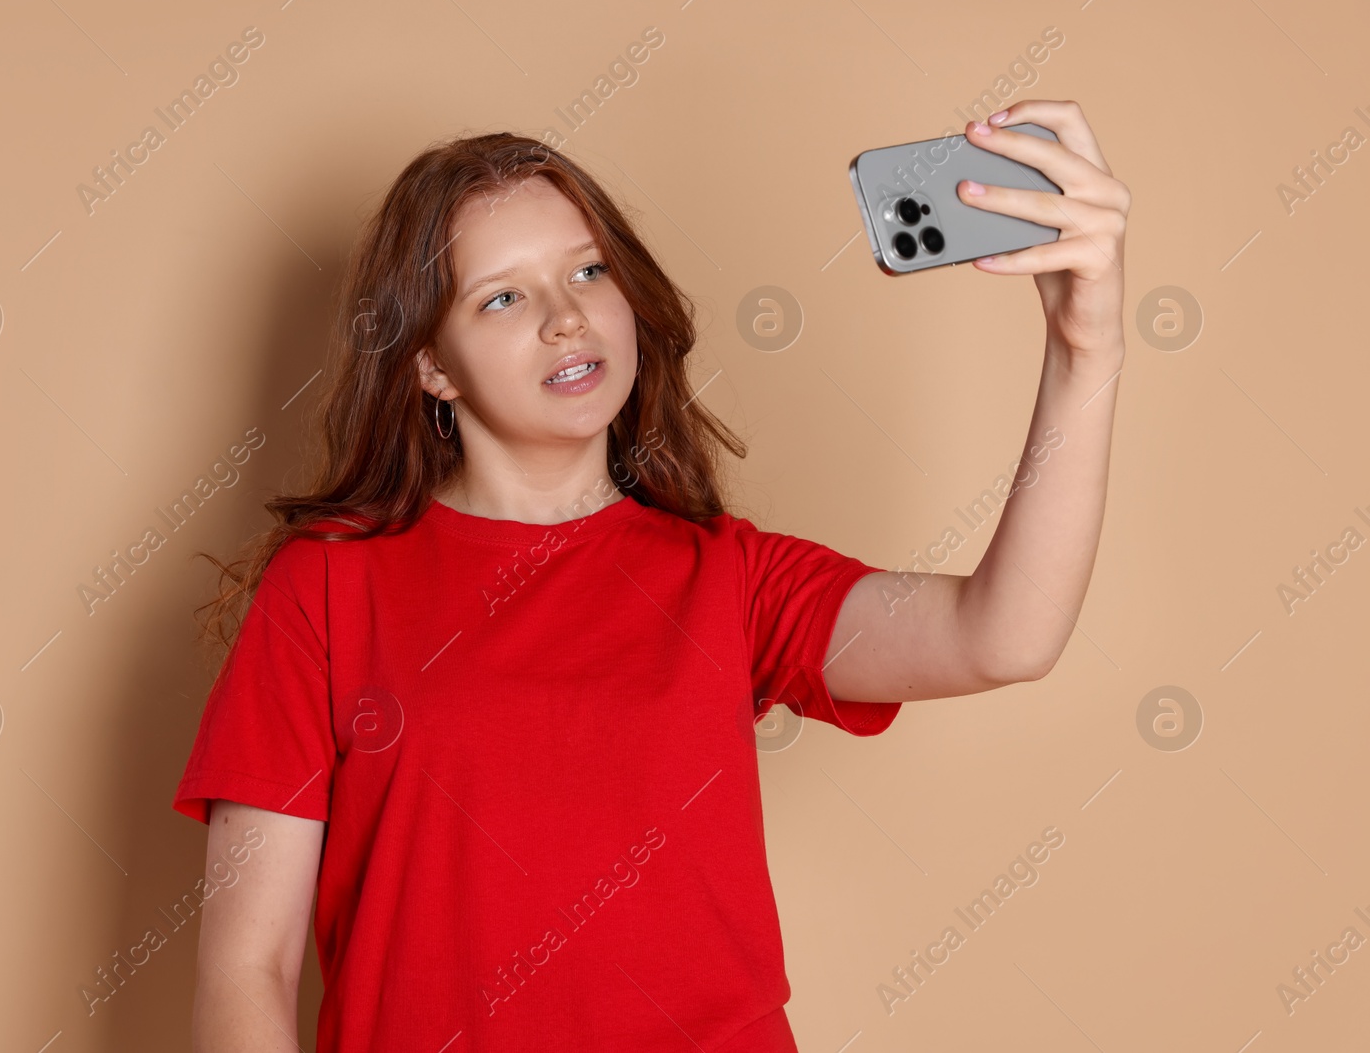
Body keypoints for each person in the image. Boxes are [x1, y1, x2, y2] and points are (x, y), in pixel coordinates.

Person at [172, 98, 1129, 1052]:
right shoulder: (327, 590)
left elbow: (1003, 632)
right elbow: (247, 971)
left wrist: (1085, 353)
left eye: (589, 271)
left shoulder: (729, 577)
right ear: (430, 365)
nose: (566, 318)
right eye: (502, 296)